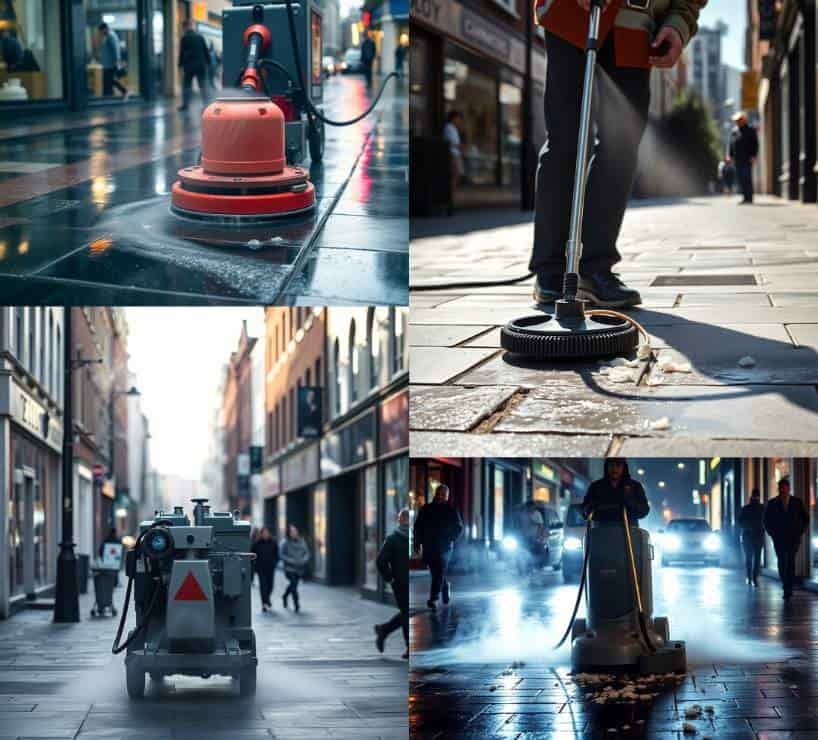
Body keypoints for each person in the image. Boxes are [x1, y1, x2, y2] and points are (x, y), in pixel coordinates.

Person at [530, 0, 705, 308]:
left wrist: (679, 23)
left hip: (638, 30)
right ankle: (551, 269)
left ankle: (595, 269)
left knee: (621, 149)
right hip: (573, 14)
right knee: (566, 140)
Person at [412, 483, 464, 610]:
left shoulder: (451, 510)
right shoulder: (426, 508)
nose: (440, 496)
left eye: (444, 495)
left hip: (444, 547)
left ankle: (433, 598)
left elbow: (459, 527)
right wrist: (417, 543)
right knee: (436, 572)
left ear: (447, 496)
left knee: (439, 569)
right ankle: (445, 585)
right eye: (439, 493)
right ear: (435, 493)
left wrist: (450, 538)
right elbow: (418, 527)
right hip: (429, 545)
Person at [764, 478, 809, 601]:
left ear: (789, 488)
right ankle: (785, 581)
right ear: (778, 489)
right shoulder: (772, 503)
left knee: (790, 561)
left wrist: (800, 531)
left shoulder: (797, 502)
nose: (783, 490)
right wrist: (772, 533)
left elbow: (806, 518)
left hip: (793, 537)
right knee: (782, 561)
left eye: (785, 488)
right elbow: (766, 521)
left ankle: (788, 588)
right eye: (781, 488)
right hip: (779, 538)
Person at [374, 508, 410, 660]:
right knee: (408, 613)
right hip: (400, 584)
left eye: (408, 518)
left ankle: (384, 629)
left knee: (407, 613)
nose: (407, 521)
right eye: (404, 518)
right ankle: (410, 647)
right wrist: (391, 578)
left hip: (411, 582)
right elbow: (380, 561)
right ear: (400, 520)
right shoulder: (392, 539)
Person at [582, 459, 649, 524]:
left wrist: (631, 504)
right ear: (607, 466)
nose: (614, 468)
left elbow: (644, 509)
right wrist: (592, 508)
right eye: (611, 465)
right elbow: (584, 509)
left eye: (618, 465)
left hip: (629, 531)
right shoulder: (596, 487)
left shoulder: (635, 486)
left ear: (623, 467)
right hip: (602, 530)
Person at [177, 20, 211, 112]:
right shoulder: (200, 37)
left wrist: (179, 65)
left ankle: (185, 105)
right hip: (201, 65)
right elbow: (206, 51)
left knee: (187, 86)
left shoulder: (184, 38)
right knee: (203, 85)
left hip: (189, 66)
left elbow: (182, 53)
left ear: (185, 27)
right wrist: (209, 63)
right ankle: (207, 105)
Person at [728, 111, 759, 205]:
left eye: (739, 120)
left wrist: (753, 155)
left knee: (746, 177)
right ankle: (745, 197)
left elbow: (755, 144)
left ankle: (749, 198)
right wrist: (730, 156)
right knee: (740, 178)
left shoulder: (750, 130)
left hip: (747, 158)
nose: (737, 122)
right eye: (736, 120)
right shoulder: (734, 131)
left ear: (744, 120)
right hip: (737, 159)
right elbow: (731, 145)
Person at [280, 524, 310, 612]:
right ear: (289, 533)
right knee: (294, 585)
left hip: (299, 568)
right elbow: (281, 555)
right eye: (292, 531)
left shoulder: (302, 541)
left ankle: (285, 596)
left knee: (294, 585)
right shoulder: (285, 542)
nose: (294, 533)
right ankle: (296, 603)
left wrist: (304, 560)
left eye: (295, 531)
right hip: (289, 569)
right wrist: (291, 560)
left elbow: (307, 553)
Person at [738, 489, 765, 587]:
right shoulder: (761, 508)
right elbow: (740, 521)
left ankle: (751, 577)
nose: (756, 498)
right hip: (754, 535)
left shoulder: (747, 508)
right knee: (754, 558)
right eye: (756, 496)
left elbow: (740, 522)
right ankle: (753, 577)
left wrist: (748, 527)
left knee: (750, 558)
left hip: (750, 535)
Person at [98, 23, 128, 100]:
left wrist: (117, 61)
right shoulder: (108, 36)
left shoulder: (111, 36)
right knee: (108, 80)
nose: (100, 33)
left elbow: (116, 49)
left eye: (101, 31)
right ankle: (109, 95)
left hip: (110, 64)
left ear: (104, 29)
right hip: (108, 63)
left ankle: (123, 91)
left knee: (109, 80)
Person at [252, 527, 279, 612]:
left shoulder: (273, 543)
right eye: (263, 533)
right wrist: (255, 565)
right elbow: (252, 554)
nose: (265, 534)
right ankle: (264, 603)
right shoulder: (257, 543)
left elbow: (277, 554)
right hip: (261, 569)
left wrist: (275, 563)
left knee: (270, 586)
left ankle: (267, 599)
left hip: (270, 568)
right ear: (261, 534)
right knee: (263, 587)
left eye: (267, 533)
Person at [443, 111, 464, 206]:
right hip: (452, 154)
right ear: (453, 118)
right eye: (458, 118)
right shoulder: (448, 128)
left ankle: (451, 197)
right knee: (454, 175)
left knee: (456, 175)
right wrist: (459, 146)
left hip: (455, 154)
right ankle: (450, 198)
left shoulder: (453, 128)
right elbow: (449, 142)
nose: (459, 121)